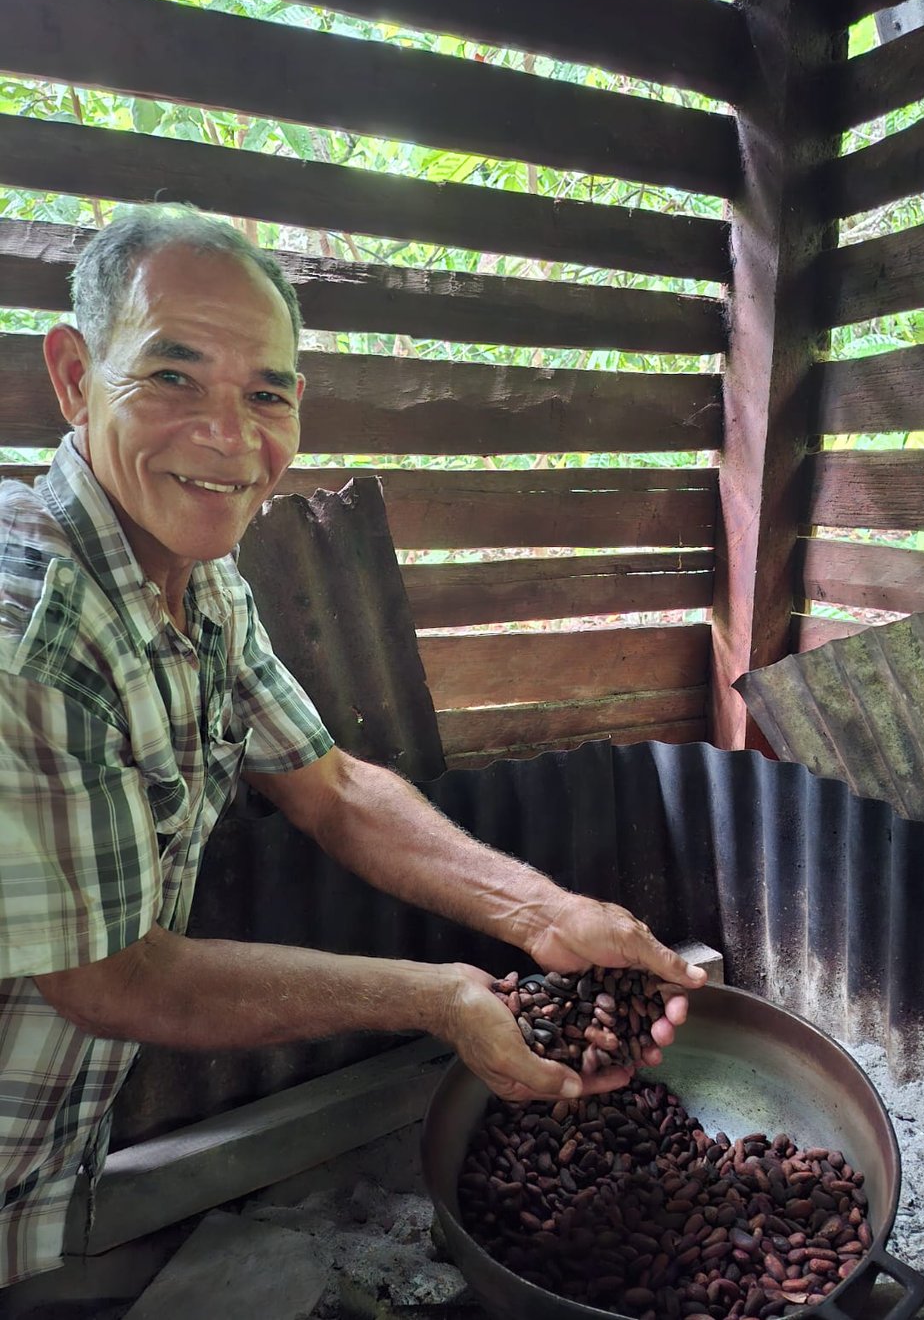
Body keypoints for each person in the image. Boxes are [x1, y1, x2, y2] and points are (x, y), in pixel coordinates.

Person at [0, 205, 706, 1288]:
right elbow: (115, 980)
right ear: (72, 375)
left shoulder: (198, 576)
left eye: (267, 392)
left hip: (44, 1153)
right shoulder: (31, 630)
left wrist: (545, 915)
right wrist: (438, 998)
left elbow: (328, 786)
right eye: (172, 378)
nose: (230, 438)